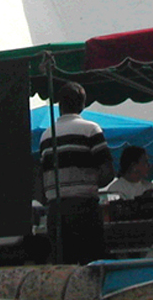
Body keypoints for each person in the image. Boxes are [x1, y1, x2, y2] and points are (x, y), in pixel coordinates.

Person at [38, 82, 114, 263]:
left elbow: (42, 176)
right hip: (84, 208)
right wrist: (91, 182)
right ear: (83, 104)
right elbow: (108, 171)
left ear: (59, 106)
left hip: (56, 211)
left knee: (64, 266)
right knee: (91, 264)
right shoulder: (91, 130)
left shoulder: (46, 136)